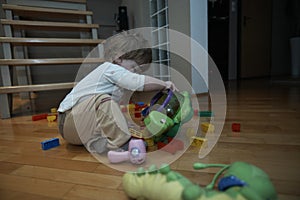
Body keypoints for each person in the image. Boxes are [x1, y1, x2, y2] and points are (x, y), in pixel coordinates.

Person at [57, 31, 177, 154]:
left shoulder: (118, 83)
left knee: (113, 112)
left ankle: (101, 144)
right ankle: (123, 143)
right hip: (69, 121)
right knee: (103, 101)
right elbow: (137, 82)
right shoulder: (109, 68)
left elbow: (136, 93)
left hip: (82, 131)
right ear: (119, 58)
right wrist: (164, 84)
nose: (136, 74)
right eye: (135, 68)